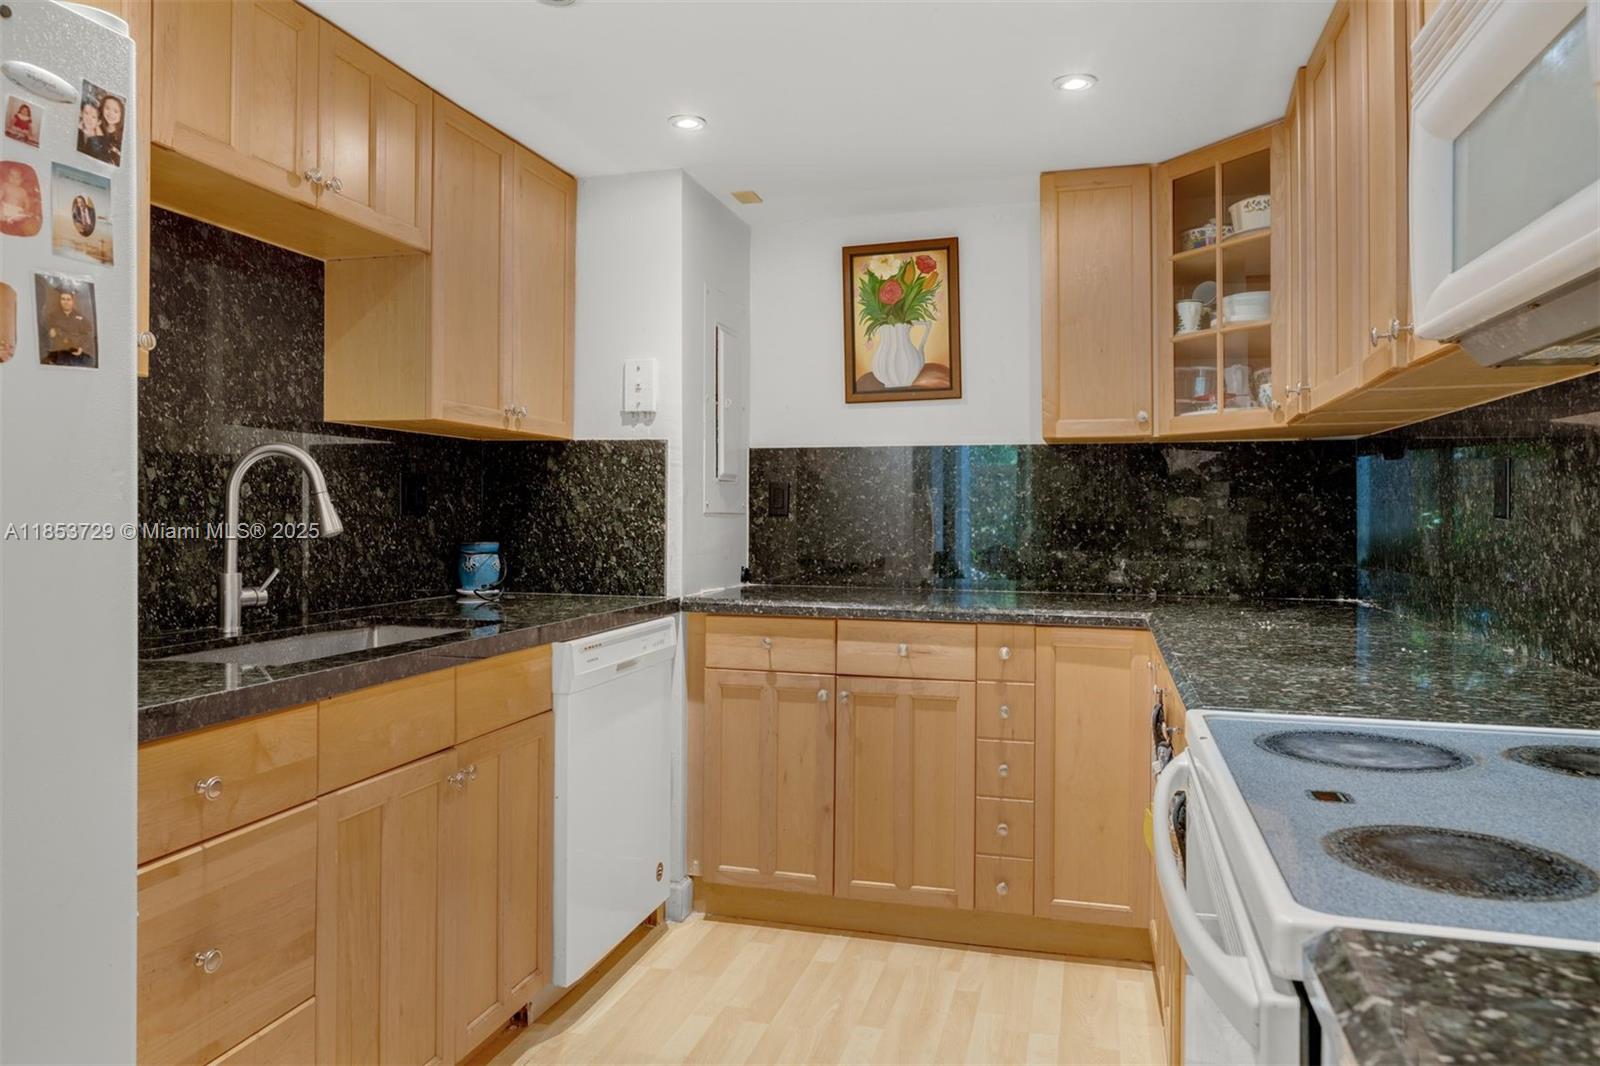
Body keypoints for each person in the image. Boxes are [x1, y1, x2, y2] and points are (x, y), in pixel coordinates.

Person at [42, 289, 95, 368]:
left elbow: (87, 334)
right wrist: (51, 333)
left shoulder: (81, 318)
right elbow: (46, 335)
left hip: (76, 355)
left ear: (73, 301)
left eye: (68, 299)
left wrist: (81, 348)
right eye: (63, 299)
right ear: (60, 301)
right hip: (59, 355)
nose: (65, 302)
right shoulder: (53, 317)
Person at [94, 94, 124, 166]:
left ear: (121, 115)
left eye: (116, 111)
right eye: (107, 108)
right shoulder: (98, 125)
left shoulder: (123, 135)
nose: (111, 113)